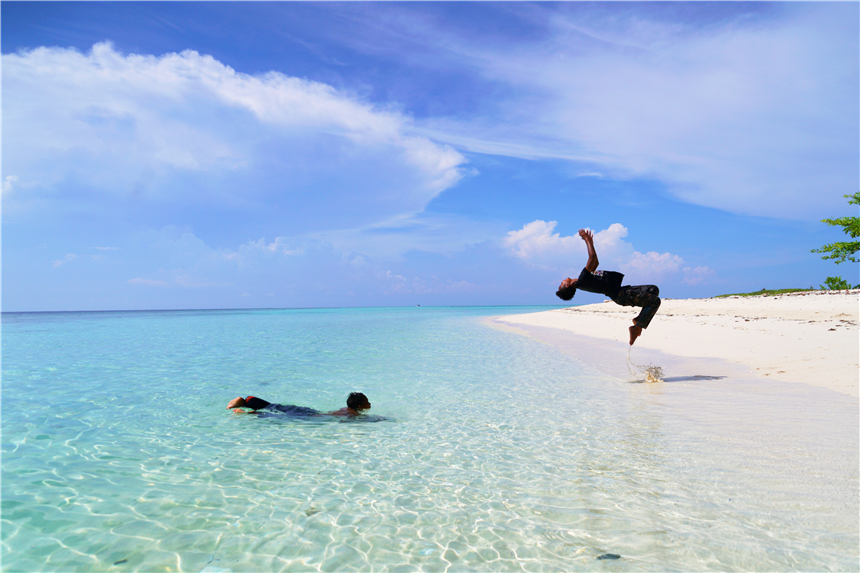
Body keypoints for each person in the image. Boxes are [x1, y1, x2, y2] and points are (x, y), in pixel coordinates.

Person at [556, 229, 661, 346]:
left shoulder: (583, 280)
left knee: (653, 290)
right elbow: (592, 257)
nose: (561, 281)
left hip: (621, 291)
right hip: (621, 295)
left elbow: (595, 262)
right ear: (566, 285)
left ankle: (639, 319)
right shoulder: (582, 280)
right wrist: (586, 239)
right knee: (654, 301)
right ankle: (637, 328)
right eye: (561, 284)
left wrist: (591, 243)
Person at [226, 392, 371, 416]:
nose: (370, 403)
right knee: (273, 415)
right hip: (310, 416)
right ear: (359, 407)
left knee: (276, 408)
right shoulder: (353, 414)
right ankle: (244, 412)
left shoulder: (345, 409)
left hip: (308, 411)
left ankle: (248, 400)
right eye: (367, 402)